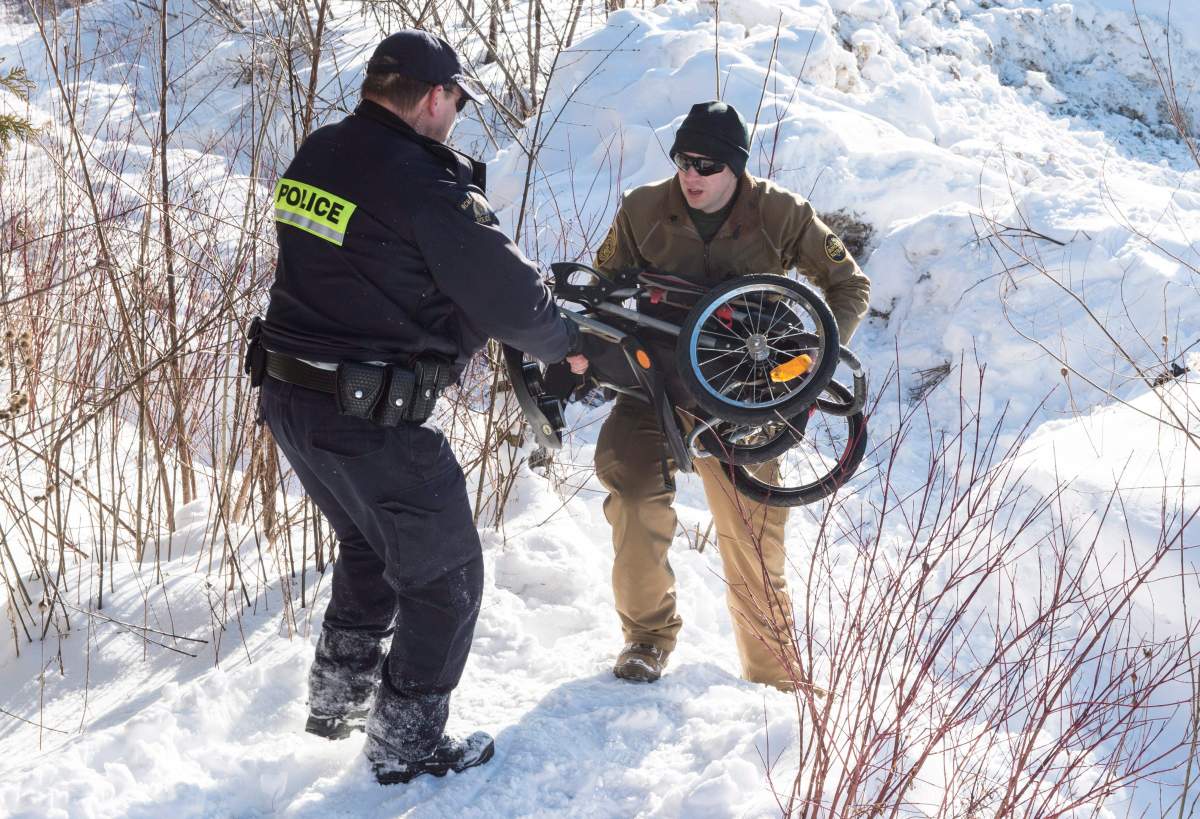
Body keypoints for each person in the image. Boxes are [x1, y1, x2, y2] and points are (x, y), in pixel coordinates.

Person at [249, 30, 581, 784]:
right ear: (434, 97)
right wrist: (567, 339)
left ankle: (336, 703)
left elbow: (368, 268)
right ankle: (404, 746)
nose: (457, 115)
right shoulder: (427, 186)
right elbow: (509, 296)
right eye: (458, 100)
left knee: (371, 546)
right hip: (364, 417)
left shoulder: (320, 153)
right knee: (447, 578)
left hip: (289, 398)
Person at [591, 101, 871, 689]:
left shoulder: (782, 212)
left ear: (736, 168)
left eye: (707, 166)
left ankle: (774, 675)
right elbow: (601, 287)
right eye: (683, 161)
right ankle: (646, 638)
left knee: (752, 529)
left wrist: (811, 363)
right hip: (656, 383)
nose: (691, 176)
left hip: (744, 394)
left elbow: (848, 284)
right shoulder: (642, 209)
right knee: (631, 487)